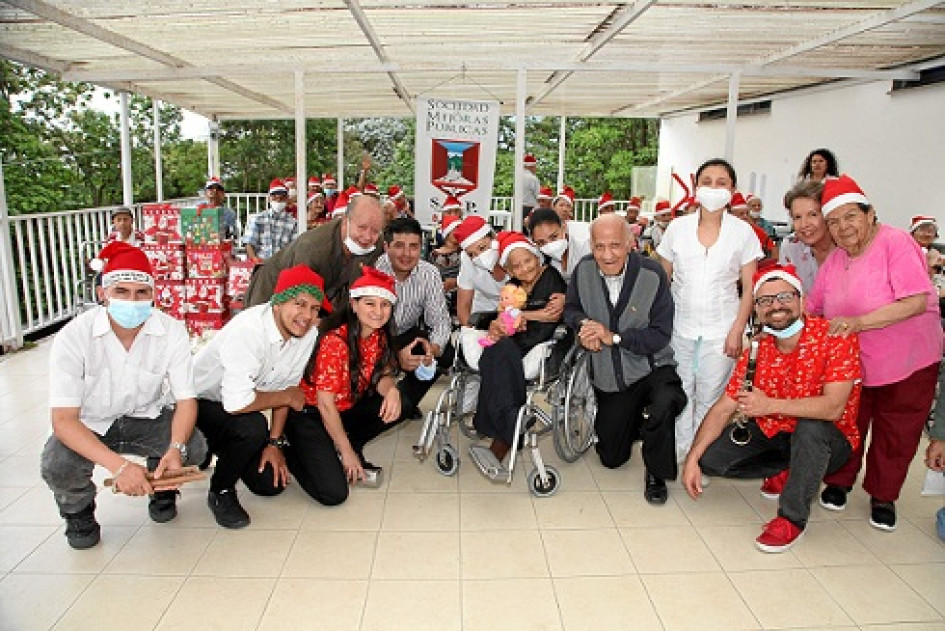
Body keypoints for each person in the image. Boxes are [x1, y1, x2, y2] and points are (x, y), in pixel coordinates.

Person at [682, 264, 862, 551]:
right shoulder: (757, 349)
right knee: (711, 458)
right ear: (756, 310)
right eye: (765, 300)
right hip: (778, 431)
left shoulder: (835, 338)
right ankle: (788, 469)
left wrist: (769, 405)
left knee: (811, 428)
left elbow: (833, 408)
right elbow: (723, 409)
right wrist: (692, 458)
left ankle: (792, 519)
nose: (776, 306)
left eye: (785, 297)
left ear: (802, 300)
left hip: (829, 441)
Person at [42, 242, 206, 549]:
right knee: (57, 464)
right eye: (122, 291)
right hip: (90, 423)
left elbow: (186, 400)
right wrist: (119, 467)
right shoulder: (74, 336)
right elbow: (63, 420)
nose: (132, 301)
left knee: (193, 447)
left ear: (154, 294)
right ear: (102, 294)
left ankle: (162, 487)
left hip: (146, 417)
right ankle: (78, 513)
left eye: (142, 292)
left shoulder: (171, 331)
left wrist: (175, 449)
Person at [806, 175, 942, 530]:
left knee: (896, 431)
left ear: (870, 214)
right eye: (834, 221)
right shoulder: (836, 258)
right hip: (855, 362)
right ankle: (839, 481)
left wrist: (859, 322)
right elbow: (814, 306)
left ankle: (884, 495)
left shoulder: (896, 243)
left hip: (909, 359)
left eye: (851, 216)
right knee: (847, 422)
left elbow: (915, 302)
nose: (843, 227)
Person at [193, 265, 329, 528]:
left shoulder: (307, 333)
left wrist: (274, 443)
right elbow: (239, 403)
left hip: (235, 407)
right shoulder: (249, 330)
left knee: (268, 484)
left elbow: (288, 387)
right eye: (300, 304)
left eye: (314, 309)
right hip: (197, 403)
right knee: (252, 426)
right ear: (277, 303)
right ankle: (221, 490)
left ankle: (215, 446)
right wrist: (286, 397)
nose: (307, 316)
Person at [564, 214, 685, 504]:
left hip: (652, 366)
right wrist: (584, 326)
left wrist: (615, 337)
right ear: (591, 246)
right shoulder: (583, 270)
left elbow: (660, 334)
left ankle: (656, 473)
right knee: (612, 458)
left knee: (665, 403)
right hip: (611, 376)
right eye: (599, 246)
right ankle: (637, 423)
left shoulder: (652, 274)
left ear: (631, 243)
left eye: (615, 245)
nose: (607, 255)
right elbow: (571, 309)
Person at [657, 158, 763, 463]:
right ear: (696, 187)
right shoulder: (677, 228)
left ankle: (699, 456)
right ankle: (679, 452)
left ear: (732, 189)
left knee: (711, 396)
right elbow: (662, 281)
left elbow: (750, 288)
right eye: (707, 181)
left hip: (722, 329)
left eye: (721, 183)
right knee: (681, 392)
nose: (713, 188)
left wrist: (737, 331)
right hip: (680, 326)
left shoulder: (743, 232)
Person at [287, 267, 403, 497]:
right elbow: (325, 404)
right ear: (354, 305)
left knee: (402, 402)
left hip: (345, 406)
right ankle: (291, 452)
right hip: (311, 414)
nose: (378, 312)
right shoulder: (335, 342)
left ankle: (341, 445)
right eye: (370, 303)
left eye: (385, 305)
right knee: (334, 493)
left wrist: (392, 390)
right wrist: (347, 453)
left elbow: (382, 376)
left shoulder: (378, 335)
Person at [465, 231, 568, 475]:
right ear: (509, 270)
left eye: (528, 261)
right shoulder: (513, 285)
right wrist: (497, 323)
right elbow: (503, 312)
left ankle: (500, 437)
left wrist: (521, 315)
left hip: (543, 338)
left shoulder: (551, 277)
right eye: (516, 266)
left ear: (536, 257)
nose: (524, 268)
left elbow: (551, 315)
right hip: (515, 340)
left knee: (498, 351)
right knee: (492, 352)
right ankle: (512, 421)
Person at [244, 194, 384, 309]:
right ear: (345, 221)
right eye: (362, 227)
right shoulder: (313, 248)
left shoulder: (376, 244)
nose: (368, 236)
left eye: (375, 231)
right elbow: (300, 304)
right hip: (269, 293)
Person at [374, 218, 453, 417]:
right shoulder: (374, 269)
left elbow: (440, 322)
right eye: (399, 246)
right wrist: (394, 357)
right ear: (386, 247)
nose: (407, 254)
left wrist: (432, 350)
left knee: (445, 352)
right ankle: (379, 399)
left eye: (414, 247)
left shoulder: (429, 273)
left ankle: (405, 399)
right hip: (375, 335)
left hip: (405, 334)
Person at [778, 180, 834, 293]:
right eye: (797, 217)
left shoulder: (846, 245)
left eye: (812, 215)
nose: (804, 224)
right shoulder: (791, 246)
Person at [453, 215, 508, 326]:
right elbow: (463, 307)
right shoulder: (467, 261)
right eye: (471, 254)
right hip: (482, 314)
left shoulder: (511, 253)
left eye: (482, 248)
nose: (479, 257)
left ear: (494, 239)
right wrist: (470, 331)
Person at [527, 208, 591, 282]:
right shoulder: (541, 260)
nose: (550, 246)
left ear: (564, 227)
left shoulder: (587, 250)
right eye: (541, 242)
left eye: (554, 237)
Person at [243, 178, 297, 262]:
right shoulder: (257, 219)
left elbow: (294, 248)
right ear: (269, 199)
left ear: (287, 199)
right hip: (261, 263)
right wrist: (254, 259)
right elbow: (249, 243)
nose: (278, 200)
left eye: (282, 197)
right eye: (274, 197)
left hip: (283, 264)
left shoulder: (293, 223)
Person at [730, 192, 777, 260]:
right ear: (732, 216)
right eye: (741, 214)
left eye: (747, 213)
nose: (745, 216)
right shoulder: (724, 230)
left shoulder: (756, 230)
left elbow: (774, 249)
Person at [521, 154, 540, 225]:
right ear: (531, 167)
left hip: (518, 207)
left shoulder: (518, 176)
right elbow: (538, 194)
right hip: (529, 208)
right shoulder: (532, 178)